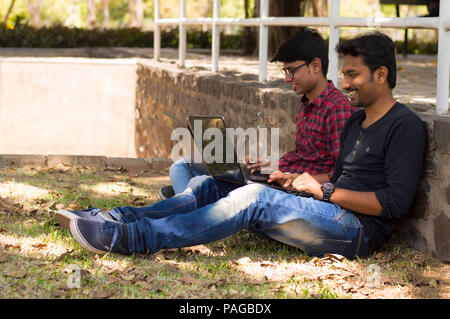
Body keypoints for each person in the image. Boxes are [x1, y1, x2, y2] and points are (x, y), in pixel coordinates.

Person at [58, 31, 427, 260]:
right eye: (344, 73)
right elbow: (336, 180)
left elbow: (392, 204)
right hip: (325, 208)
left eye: (353, 75)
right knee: (211, 183)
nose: (344, 83)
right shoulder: (357, 122)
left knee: (251, 197)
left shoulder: (405, 126)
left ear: (381, 75)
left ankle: (127, 238)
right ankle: (119, 216)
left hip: (356, 232)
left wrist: (322, 189)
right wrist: (293, 181)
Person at [159, 27, 355, 199]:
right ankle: (189, 199)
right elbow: (305, 156)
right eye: (284, 72)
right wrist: (269, 164)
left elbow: (340, 174)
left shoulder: (336, 108)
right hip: (278, 175)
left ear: (315, 65)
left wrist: (293, 178)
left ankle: (185, 200)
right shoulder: (307, 103)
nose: (287, 79)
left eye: (291, 70)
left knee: (199, 182)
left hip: (292, 188)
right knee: (182, 166)